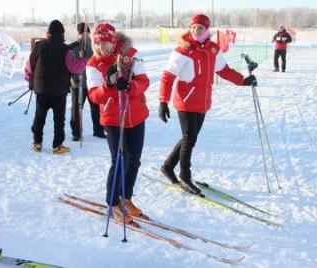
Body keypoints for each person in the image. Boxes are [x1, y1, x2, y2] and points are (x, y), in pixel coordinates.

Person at [158, 14, 257, 196]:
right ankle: (185, 176)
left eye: (200, 28)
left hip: (203, 101)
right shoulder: (183, 50)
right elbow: (168, 76)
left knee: (190, 136)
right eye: (194, 27)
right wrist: (163, 102)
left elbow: (224, 71)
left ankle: (167, 166)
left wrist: (243, 81)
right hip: (186, 100)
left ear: (207, 30)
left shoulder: (213, 49)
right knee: (190, 138)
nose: (196, 31)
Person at [87, 23, 150, 223]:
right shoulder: (93, 64)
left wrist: (130, 86)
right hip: (113, 118)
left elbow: (144, 81)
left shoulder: (131, 54)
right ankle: (112, 202)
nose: (101, 47)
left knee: (134, 161)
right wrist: (109, 85)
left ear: (113, 41)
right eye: (97, 43)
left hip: (136, 115)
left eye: (105, 42)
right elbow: (94, 95)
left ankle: (126, 197)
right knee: (119, 160)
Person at [25, 20, 86, 154]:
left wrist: (30, 81)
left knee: (39, 117)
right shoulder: (65, 50)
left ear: (48, 33)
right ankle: (57, 145)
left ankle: (37, 143)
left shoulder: (38, 46)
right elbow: (75, 68)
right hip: (59, 92)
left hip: (41, 90)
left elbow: (30, 66)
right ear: (62, 34)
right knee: (59, 120)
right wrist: (83, 60)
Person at [69, 23, 105, 141]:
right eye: (81, 34)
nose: (84, 35)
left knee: (96, 107)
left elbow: (98, 60)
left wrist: (87, 56)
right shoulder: (73, 47)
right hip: (77, 82)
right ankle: (76, 132)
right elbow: (69, 64)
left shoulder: (95, 45)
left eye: (86, 33)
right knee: (76, 109)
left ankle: (98, 130)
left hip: (92, 83)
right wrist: (72, 78)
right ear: (78, 34)